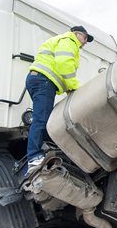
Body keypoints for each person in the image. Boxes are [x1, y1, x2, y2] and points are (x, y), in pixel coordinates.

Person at [24, 25, 94, 177]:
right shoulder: (69, 40)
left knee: (46, 121)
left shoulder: (62, 40)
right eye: (85, 38)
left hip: (39, 80)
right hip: (44, 81)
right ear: (77, 34)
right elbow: (64, 64)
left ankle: (45, 152)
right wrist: (74, 87)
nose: (86, 42)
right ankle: (34, 158)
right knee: (41, 120)